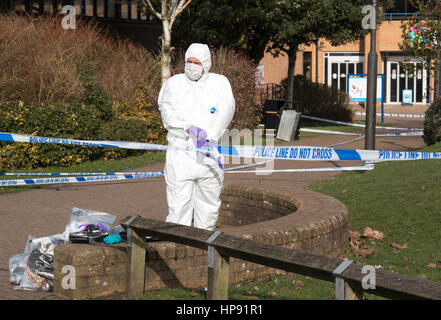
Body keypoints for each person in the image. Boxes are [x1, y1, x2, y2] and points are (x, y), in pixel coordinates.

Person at [158, 43, 236, 231]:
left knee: (209, 205)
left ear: (206, 64)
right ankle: (178, 244)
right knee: (179, 204)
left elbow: (227, 109)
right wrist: (187, 127)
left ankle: (205, 245)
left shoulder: (219, 83)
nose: (191, 66)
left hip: (209, 154)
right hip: (181, 154)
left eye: (196, 62)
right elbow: (166, 110)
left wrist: (212, 135)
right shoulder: (174, 84)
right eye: (189, 61)